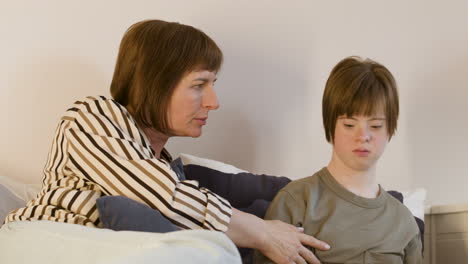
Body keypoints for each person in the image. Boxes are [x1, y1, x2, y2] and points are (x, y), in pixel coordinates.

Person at [4, 19, 330, 264]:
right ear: (155, 84)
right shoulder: (92, 115)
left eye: (212, 84)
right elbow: (162, 196)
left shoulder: (165, 164)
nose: (213, 101)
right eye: (199, 84)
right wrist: (262, 232)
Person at [254, 56, 422, 264]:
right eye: (350, 125)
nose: (363, 136)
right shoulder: (297, 201)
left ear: (389, 131)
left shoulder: (404, 222)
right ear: (330, 127)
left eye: (376, 125)